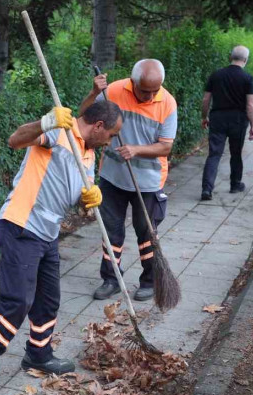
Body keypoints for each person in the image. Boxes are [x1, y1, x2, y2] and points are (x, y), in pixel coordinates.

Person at [0, 101, 124, 376]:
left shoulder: (87, 153)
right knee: (17, 300)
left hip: (48, 233)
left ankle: (38, 355)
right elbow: (15, 140)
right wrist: (45, 123)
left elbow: (77, 195)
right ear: (99, 126)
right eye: (111, 135)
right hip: (22, 225)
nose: (110, 142)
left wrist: (90, 199)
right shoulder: (59, 131)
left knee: (48, 300)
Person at [78, 59, 177, 302]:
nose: (151, 95)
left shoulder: (167, 103)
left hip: (149, 182)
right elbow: (84, 118)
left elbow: (165, 147)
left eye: (156, 90)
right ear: (133, 82)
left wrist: (136, 149)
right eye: (145, 90)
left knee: (146, 232)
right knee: (110, 230)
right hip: (113, 177)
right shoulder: (113, 91)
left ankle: (150, 281)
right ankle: (111, 279)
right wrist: (94, 93)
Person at [200, 45, 253, 201]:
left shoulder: (216, 75)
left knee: (214, 154)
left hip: (218, 118)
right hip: (238, 120)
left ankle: (207, 189)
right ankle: (235, 184)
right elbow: (250, 105)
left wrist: (204, 117)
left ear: (230, 57)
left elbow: (206, 99)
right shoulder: (247, 78)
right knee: (236, 153)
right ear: (245, 60)